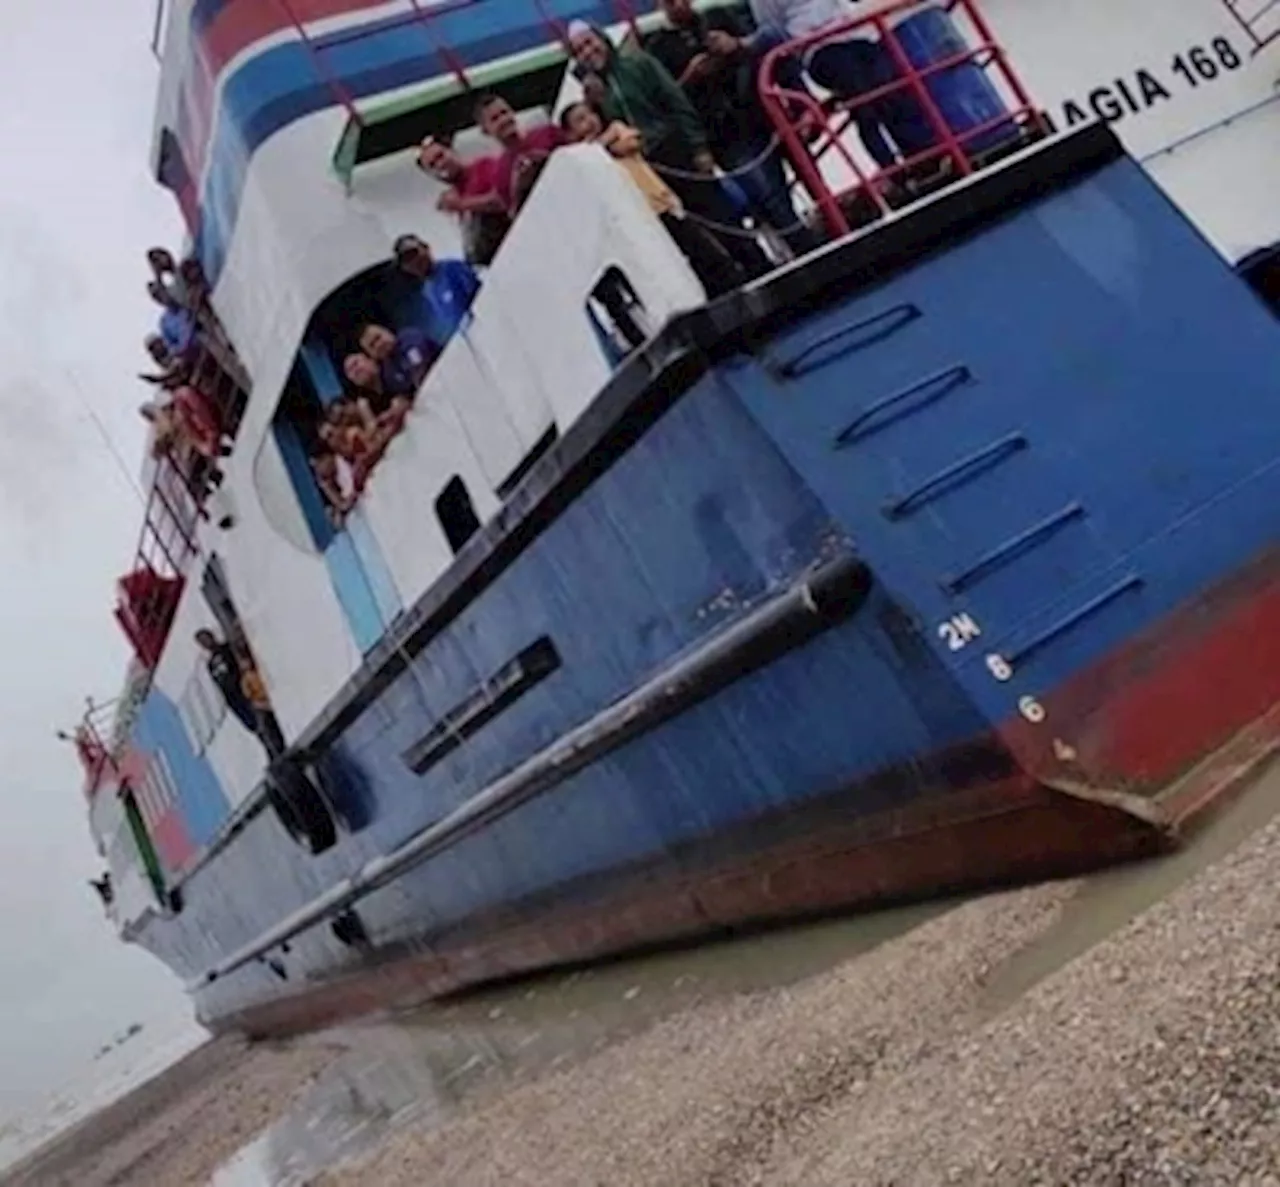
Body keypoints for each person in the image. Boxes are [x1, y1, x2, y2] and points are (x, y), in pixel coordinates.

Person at [567, 21, 770, 280]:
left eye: (589, 42)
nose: (587, 51)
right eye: (579, 50)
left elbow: (676, 101)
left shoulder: (639, 64)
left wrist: (698, 147)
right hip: (645, 169)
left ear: (602, 39)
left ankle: (759, 267)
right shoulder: (597, 93)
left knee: (718, 215)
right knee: (686, 234)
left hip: (673, 149)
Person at [646, 0, 819, 254]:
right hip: (724, 134)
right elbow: (669, 101)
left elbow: (761, 50)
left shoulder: (718, 16)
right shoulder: (659, 48)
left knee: (807, 172)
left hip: (761, 111)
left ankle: (832, 228)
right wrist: (690, 76)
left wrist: (734, 45)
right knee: (767, 195)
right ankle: (806, 249)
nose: (679, 4)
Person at [560, 102, 743, 297]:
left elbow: (630, 142)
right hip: (637, 217)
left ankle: (731, 285)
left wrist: (600, 147)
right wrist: (599, 149)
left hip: (659, 203)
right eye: (580, 120)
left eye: (590, 114)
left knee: (700, 247)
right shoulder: (582, 160)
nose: (589, 121)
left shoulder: (615, 129)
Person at [738, 0, 939, 172]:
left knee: (894, 93)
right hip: (819, 47)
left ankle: (924, 156)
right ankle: (894, 171)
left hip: (855, 30)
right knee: (864, 107)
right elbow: (772, 26)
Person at [418, 136, 511, 265]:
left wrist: (461, 205)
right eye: (432, 165)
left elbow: (504, 200)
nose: (440, 164)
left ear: (452, 152)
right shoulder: (455, 196)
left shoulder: (483, 166)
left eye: (440, 156)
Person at [473, 93, 566, 214]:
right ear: (485, 130)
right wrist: (519, 187)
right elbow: (515, 216)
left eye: (504, 112)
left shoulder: (549, 133)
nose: (503, 120)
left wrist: (547, 159)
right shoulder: (500, 174)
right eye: (494, 119)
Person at [392, 235, 482, 349]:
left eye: (414, 253)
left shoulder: (452, 268)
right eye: (406, 260)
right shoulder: (428, 291)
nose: (414, 262)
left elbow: (480, 296)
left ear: (426, 248)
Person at [195, 629, 260, 737]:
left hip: (249, 690)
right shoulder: (211, 666)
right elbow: (223, 689)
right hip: (238, 700)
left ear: (212, 636)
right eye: (202, 642)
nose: (206, 643)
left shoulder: (228, 647)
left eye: (205, 639)